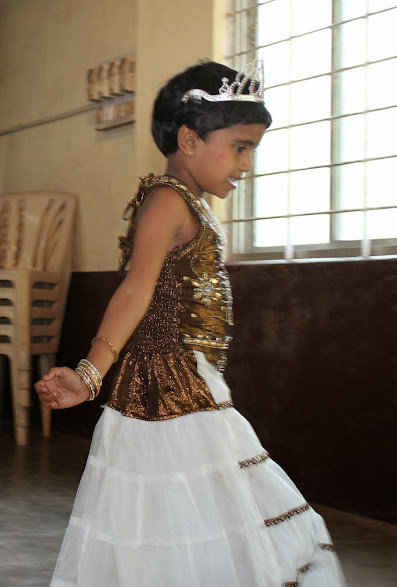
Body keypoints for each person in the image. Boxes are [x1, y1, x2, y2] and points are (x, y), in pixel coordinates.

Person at [36, 59, 346, 586]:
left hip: (190, 377)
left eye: (253, 150)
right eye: (240, 147)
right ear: (189, 139)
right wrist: (90, 374)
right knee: (188, 509)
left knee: (196, 511)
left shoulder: (193, 205)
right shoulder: (167, 201)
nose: (247, 164)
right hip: (167, 385)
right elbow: (135, 289)